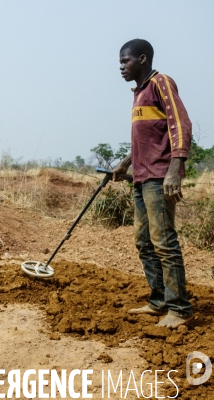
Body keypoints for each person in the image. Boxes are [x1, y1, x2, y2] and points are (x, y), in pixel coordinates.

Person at [113, 39, 193, 329]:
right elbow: (145, 138)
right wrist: (125, 163)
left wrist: (175, 168)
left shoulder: (161, 83)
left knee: (164, 242)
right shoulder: (139, 93)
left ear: (142, 59)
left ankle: (179, 308)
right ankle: (159, 300)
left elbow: (181, 125)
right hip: (141, 177)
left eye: (126, 62)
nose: (120, 67)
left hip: (160, 177)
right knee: (144, 241)